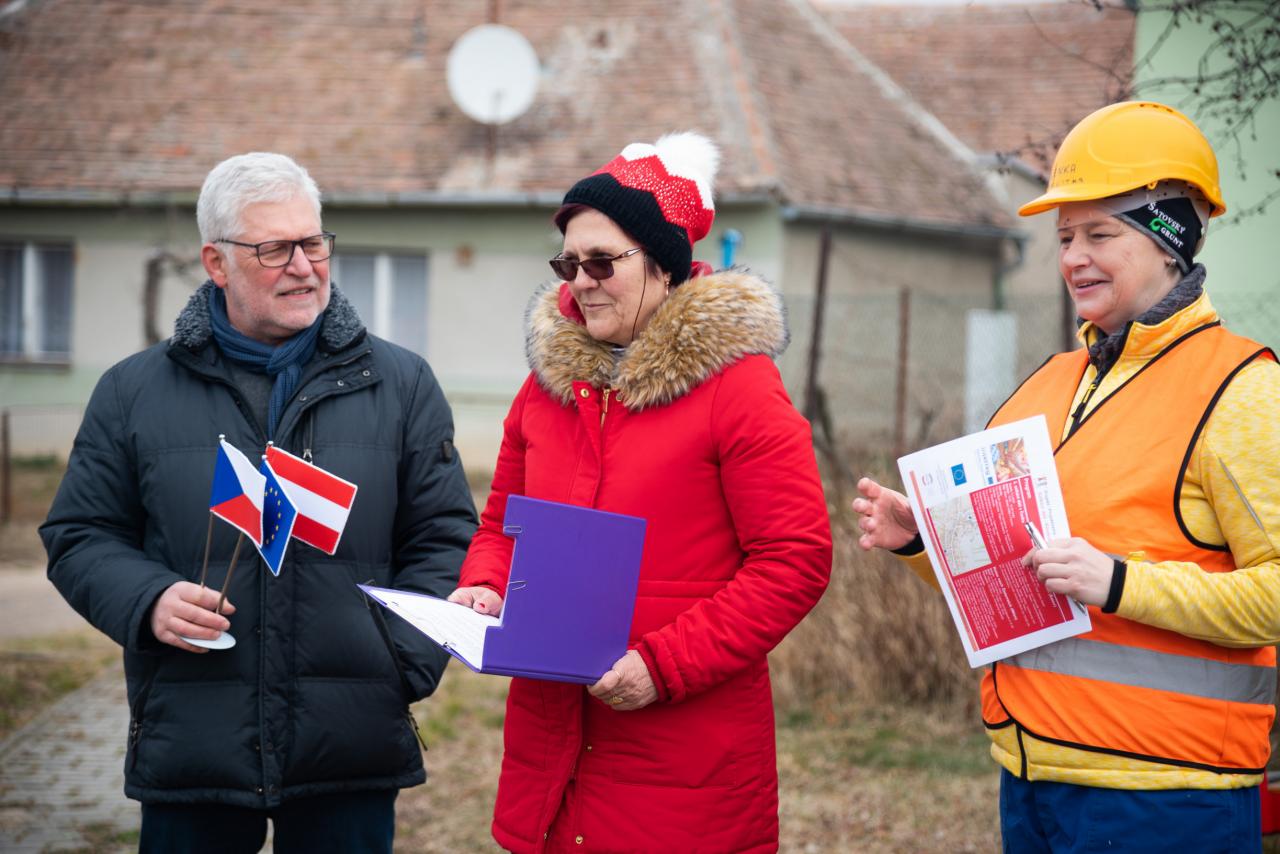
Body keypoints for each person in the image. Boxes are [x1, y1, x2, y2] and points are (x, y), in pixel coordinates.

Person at [853, 101, 1280, 852]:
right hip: (1031, 779)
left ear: (1170, 237)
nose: (1074, 257)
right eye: (1063, 237)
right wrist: (926, 543)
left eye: (1099, 234)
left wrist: (1119, 583)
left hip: (1169, 801)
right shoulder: (1048, 384)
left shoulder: (1241, 391)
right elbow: (1009, 588)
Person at [41, 152, 477, 853]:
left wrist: (400, 663)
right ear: (216, 263)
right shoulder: (133, 391)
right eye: (275, 249)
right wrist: (147, 600)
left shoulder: (400, 383)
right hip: (194, 745)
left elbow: (444, 537)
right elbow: (80, 534)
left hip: (351, 744)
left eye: (313, 243)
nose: (304, 267)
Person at [448, 132, 832, 852]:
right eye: (569, 263)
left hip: (682, 760)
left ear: (663, 264)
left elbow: (794, 560)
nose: (582, 281)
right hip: (552, 748)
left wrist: (663, 667)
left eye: (603, 261)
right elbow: (500, 525)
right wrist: (484, 587)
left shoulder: (740, 389)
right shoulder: (545, 389)